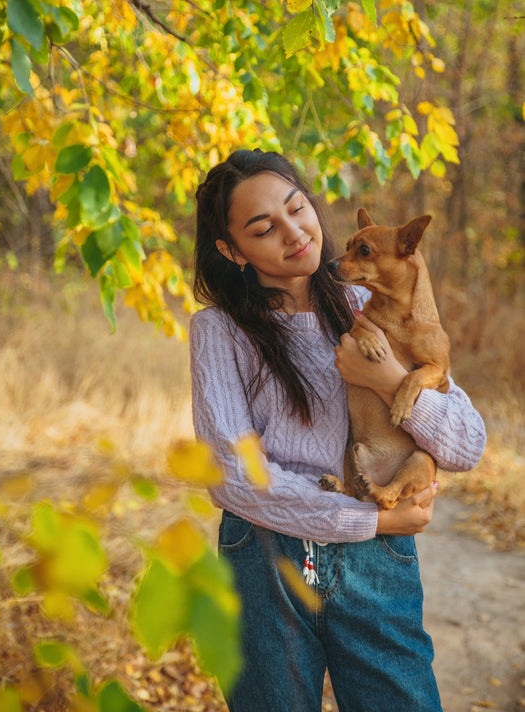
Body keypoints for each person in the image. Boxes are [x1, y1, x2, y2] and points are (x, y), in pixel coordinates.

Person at [189, 149, 486, 712]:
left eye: (297, 208)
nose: (294, 232)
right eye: (263, 228)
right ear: (232, 250)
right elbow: (230, 474)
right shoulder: (219, 331)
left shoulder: (373, 306)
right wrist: (368, 517)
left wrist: (391, 378)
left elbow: (467, 443)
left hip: (377, 566)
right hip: (266, 560)